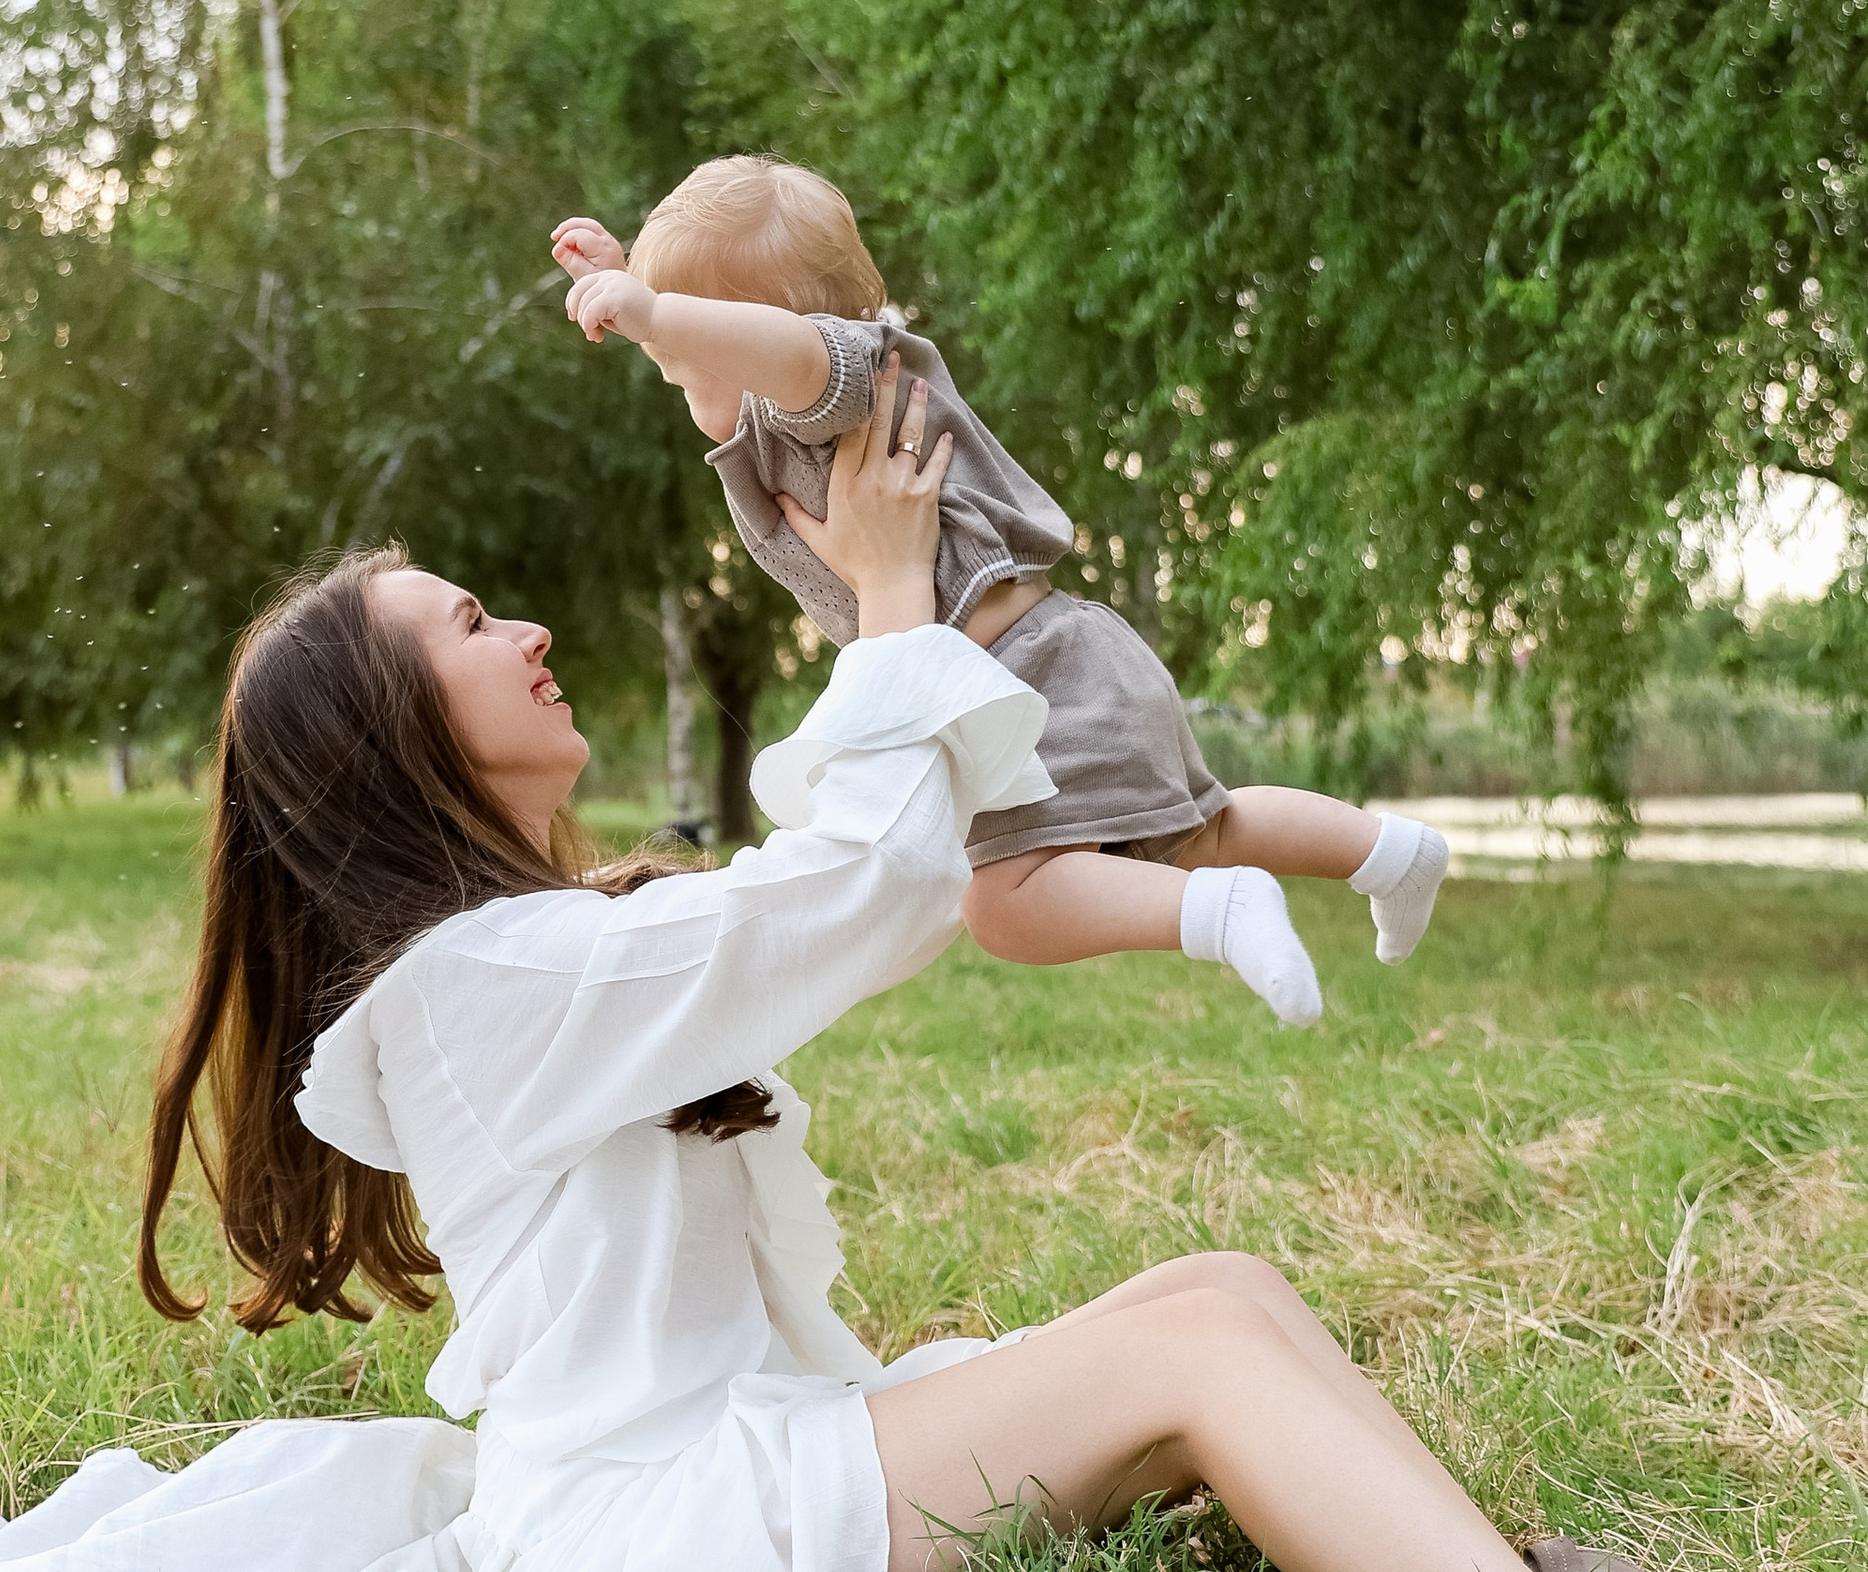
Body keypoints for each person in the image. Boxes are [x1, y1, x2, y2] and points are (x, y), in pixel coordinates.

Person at [142, 379, 1826, 1572]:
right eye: (469, 625)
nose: (521, 631)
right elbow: (862, 888)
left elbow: (859, 890)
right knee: (1197, 1361)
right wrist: (886, 592)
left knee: (1221, 1290)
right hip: (664, 1539)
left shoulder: (532, 950)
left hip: (733, 1468)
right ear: (397, 736)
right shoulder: (478, 985)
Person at [552, 156, 1448, 1033]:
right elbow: (731, 345)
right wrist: (634, 293)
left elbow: (786, 354)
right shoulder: (785, 404)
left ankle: (1219, 910)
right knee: (1205, 828)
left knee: (1006, 904)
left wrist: (657, 310)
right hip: (1063, 656)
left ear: (759, 331)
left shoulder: (838, 381)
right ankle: (1392, 854)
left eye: (685, 355)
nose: (672, 366)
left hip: (1031, 674)